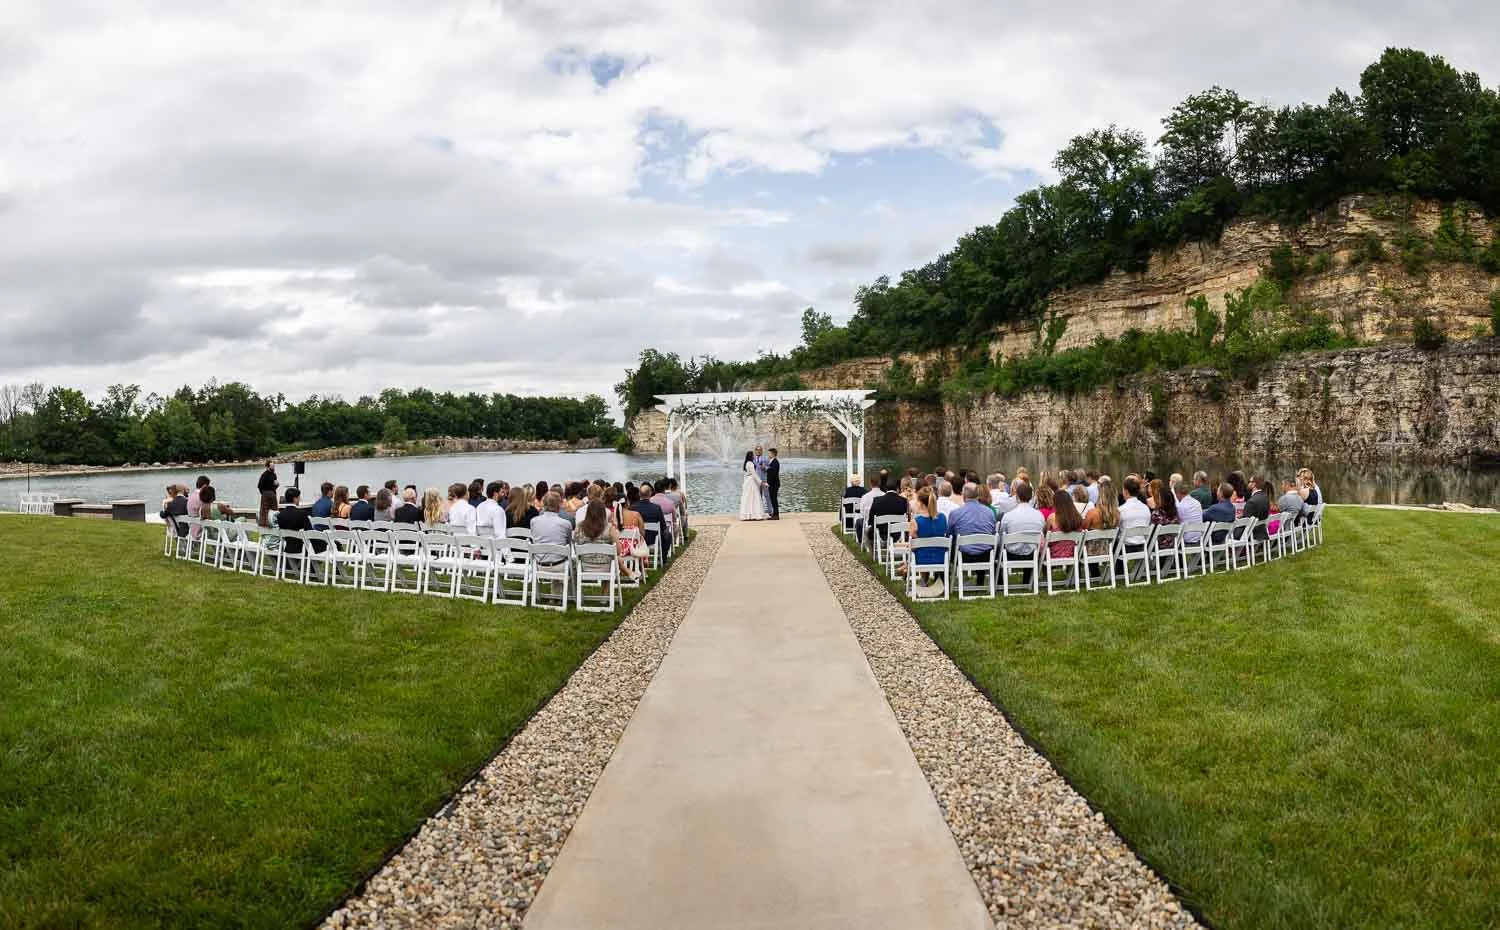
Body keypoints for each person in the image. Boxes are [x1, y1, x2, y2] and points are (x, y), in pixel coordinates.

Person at [898, 487, 948, 592]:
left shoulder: (916, 521)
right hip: (941, 558)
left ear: (920, 502)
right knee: (927, 549)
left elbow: (913, 546)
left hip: (921, 560)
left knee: (918, 550)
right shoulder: (943, 518)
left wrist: (908, 562)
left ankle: (918, 577)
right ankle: (920, 578)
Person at [998, 482, 1045, 582]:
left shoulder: (1008, 516)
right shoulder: (1039, 515)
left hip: (1011, 554)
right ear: (1031, 496)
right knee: (1030, 545)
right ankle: (1027, 580)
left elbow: (1002, 536)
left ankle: (1000, 582)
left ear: (1017, 496)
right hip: (1032, 554)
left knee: (998, 547)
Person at [573, 500, 623, 583]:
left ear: (588, 512)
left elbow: (576, 548)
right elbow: (618, 551)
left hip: (584, 566)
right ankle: (606, 594)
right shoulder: (610, 528)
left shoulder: (579, 527)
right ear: (603, 513)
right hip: (606, 567)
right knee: (614, 560)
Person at [948, 484, 997, 563]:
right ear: (978, 495)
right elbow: (993, 531)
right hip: (986, 555)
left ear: (963, 496)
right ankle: (981, 574)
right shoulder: (989, 512)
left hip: (963, 555)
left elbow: (950, 534)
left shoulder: (955, 513)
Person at [1045, 487, 1084, 561]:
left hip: (1053, 554)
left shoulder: (1052, 518)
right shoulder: (1077, 517)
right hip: (1073, 553)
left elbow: (1046, 535)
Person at [630, 484, 671, 552]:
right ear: (650, 494)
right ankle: (663, 557)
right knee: (668, 534)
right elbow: (663, 525)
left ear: (639, 494)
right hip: (653, 539)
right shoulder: (656, 508)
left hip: (637, 538)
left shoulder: (632, 508)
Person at [739, 451, 768, 521]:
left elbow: (745, 474)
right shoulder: (751, 463)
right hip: (751, 482)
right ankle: (755, 514)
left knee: (747, 498)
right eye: (753, 455)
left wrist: (744, 483)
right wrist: (761, 482)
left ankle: (747, 515)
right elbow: (754, 474)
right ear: (751, 456)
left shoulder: (746, 463)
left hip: (747, 482)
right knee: (754, 497)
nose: (754, 457)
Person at [1173, 479, 1203, 543]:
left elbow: (1175, 521)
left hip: (1185, 538)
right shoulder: (1197, 503)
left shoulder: (1179, 506)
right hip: (1198, 537)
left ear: (1177, 493)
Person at [764, 448, 781, 520]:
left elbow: (773, 473)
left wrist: (767, 469)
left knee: (774, 499)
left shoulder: (775, 462)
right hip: (772, 483)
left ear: (773, 454)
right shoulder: (772, 461)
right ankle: (774, 514)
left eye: (769, 453)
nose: (768, 454)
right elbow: (771, 471)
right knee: (772, 499)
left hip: (774, 484)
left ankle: (776, 515)